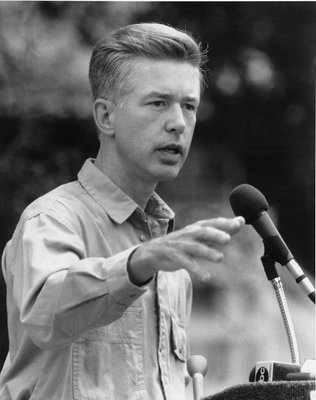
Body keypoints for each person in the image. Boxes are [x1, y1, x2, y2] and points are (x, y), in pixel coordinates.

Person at [0, 22, 244, 400]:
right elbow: (46, 315)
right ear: (106, 117)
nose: (179, 123)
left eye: (189, 106)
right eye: (158, 102)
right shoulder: (51, 219)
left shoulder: (168, 252)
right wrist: (137, 264)